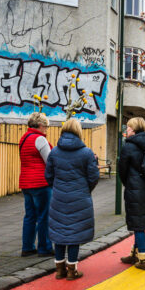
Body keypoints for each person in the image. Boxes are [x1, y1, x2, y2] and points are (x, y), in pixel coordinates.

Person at [46, 118, 100, 280]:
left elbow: (48, 175)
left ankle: (59, 269)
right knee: (74, 234)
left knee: (59, 233)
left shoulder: (54, 152)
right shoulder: (86, 153)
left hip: (59, 198)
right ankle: (72, 270)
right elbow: (93, 176)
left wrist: (57, 188)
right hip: (80, 198)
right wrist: (85, 190)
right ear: (78, 131)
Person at [118, 117, 145, 270]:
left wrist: (128, 184)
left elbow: (122, 170)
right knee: (139, 222)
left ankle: (143, 258)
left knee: (138, 224)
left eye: (128, 128)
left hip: (135, 189)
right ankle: (135, 253)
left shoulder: (128, 146)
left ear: (134, 130)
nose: (127, 130)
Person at [19, 112, 53, 257]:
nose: (46, 129)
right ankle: (44, 247)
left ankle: (27, 247)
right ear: (40, 125)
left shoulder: (23, 138)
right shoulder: (40, 139)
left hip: (26, 183)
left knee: (30, 216)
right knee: (44, 216)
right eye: (45, 126)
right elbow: (50, 162)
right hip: (41, 183)